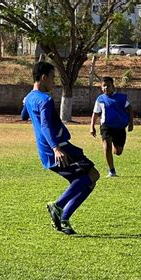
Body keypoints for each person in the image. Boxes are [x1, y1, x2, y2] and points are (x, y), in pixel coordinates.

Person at [21, 62, 100, 235]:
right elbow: (45, 126)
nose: (54, 81)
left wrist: (25, 102)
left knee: (86, 180)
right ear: (44, 78)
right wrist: (56, 148)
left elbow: (23, 116)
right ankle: (58, 206)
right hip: (60, 147)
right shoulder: (45, 99)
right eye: (52, 77)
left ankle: (63, 219)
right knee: (92, 176)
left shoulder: (30, 98)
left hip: (45, 150)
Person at [90, 76, 134, 177]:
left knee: (118, 152)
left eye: (108, 86)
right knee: (107, 147)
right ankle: (112, 170)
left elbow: (130, 109)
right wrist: (92, 127)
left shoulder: (121, 98)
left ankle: (115, 144)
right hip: (106, 126)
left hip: (119, 128)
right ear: (101, 88)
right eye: (104, 86)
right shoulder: (100, 99)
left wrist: (131, 123)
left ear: (113, 86)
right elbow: (95, 113)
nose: (106, 88)